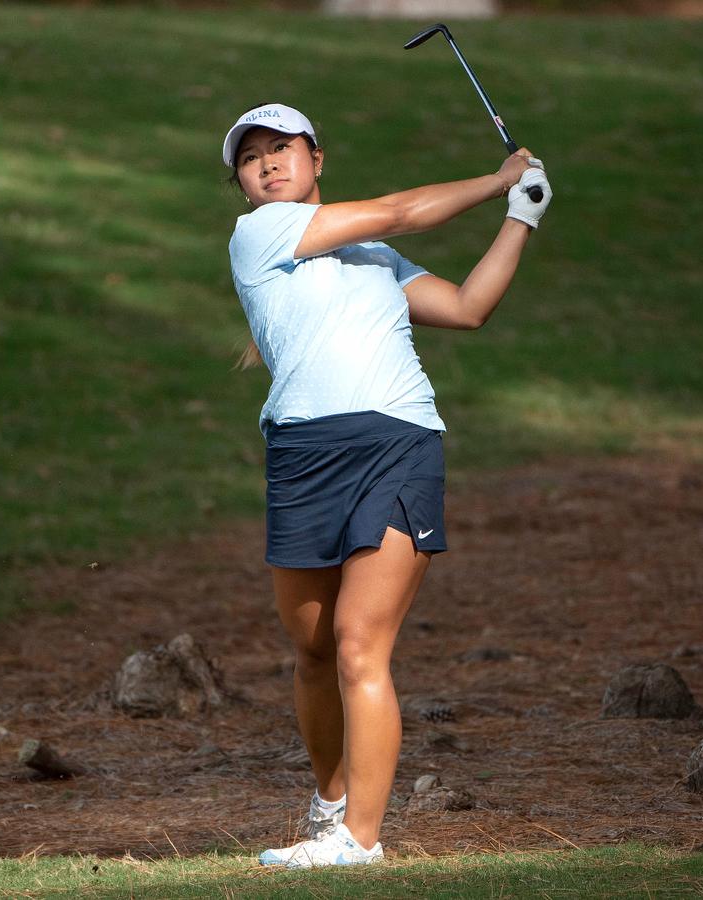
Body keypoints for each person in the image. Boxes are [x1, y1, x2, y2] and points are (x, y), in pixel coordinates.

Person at [222, 102, 552, 868]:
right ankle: (331, 806)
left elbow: (466, 308)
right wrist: (498, 178)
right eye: (251, 156)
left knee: (357, 644)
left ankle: (360, 841)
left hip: (396, 444)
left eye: (282, 147)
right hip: (303, 454)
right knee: (312, 651)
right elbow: (403, 209)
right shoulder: (257, 235)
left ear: (317, 158)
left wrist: (521, 216)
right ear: (241, 183)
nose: (267, 162)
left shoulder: (375, 259)